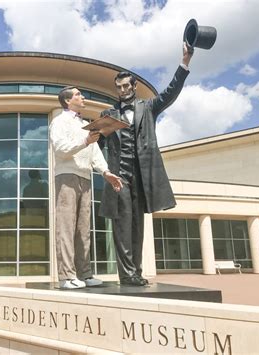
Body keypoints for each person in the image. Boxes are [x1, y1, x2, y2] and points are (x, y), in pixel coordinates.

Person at [98, 41, 194, 286]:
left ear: (134, 86)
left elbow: (170, 92)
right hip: (119, 178)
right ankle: (127, 275)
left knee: (137, 227)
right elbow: (95, 145)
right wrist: (102, 169)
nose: (122, 90)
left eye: (125, 85)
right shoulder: (108, 115)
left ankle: (136, 272)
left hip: (142, 177)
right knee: (122, 228)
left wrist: (185, 62)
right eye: (118, 87)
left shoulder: (148, 107)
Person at [50, 86, 123, 289]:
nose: (82, 97)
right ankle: (66, 277)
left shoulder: (86, 125)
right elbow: (60, 149)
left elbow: (94, 152)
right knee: (66, 227)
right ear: (67, 101)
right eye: (77, 95)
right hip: (66, 176)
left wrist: (106, 172)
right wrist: (85, 140)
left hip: (85, 177)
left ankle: (85, 274)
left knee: (84, 230)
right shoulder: (59, 121)